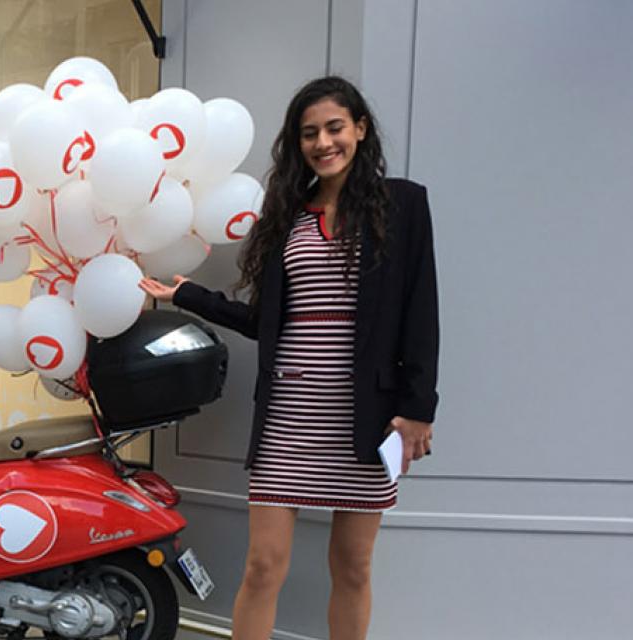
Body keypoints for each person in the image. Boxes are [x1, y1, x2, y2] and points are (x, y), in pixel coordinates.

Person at [139, 76, 439, 640]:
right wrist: (187, 295)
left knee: (353, 567)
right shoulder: (287, 218)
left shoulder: (404, 204)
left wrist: (419, 407)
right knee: (262, 566)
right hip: (288, 417)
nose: (323, 142)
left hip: (365, 416)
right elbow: (267, 322)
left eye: (334, 128)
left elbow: (422, 311)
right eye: (309, 133)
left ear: (360, 130)